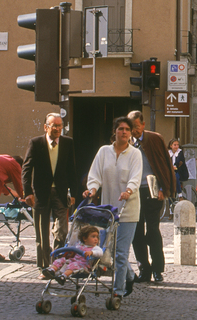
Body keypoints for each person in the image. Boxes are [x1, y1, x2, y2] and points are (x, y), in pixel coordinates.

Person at [85, 116, 141, 301]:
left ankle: (118, 291)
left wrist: (128, 191)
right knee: (109, 249)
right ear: (114, 131)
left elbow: (135, 177)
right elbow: (95, 175)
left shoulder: (135, 154)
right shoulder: (104, 152)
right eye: (120, 129)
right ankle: (130, 276)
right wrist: (92, 189)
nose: (124, 132)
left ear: (131, 133)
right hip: (108, 211)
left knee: (121, 252)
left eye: (127, 129)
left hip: (128, 209)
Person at [22, 113, 80, 269]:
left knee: (62, 230)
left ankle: (56, 264)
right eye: (54, 126)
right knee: (42, 233)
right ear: (45, 127)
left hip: (61, 192)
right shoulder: (36, 143)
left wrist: (73, 193)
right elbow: (26, 169)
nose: (58, 129)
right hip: (41, 194)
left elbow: (71, 169)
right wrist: (28, 192)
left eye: (60, 125)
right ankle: (43, 266)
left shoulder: (68, 143)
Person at [128, 110, 175, 284]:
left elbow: (164, 164)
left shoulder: (154, 139)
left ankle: (157, 269)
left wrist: (164, 188)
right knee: (137, 232)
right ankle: (144, 269)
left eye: (136, 127)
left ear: (143, 124)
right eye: (131, 127)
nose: (134, 131)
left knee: (153, 231)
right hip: (134, 192)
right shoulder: (126, 142)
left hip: (153, 191)